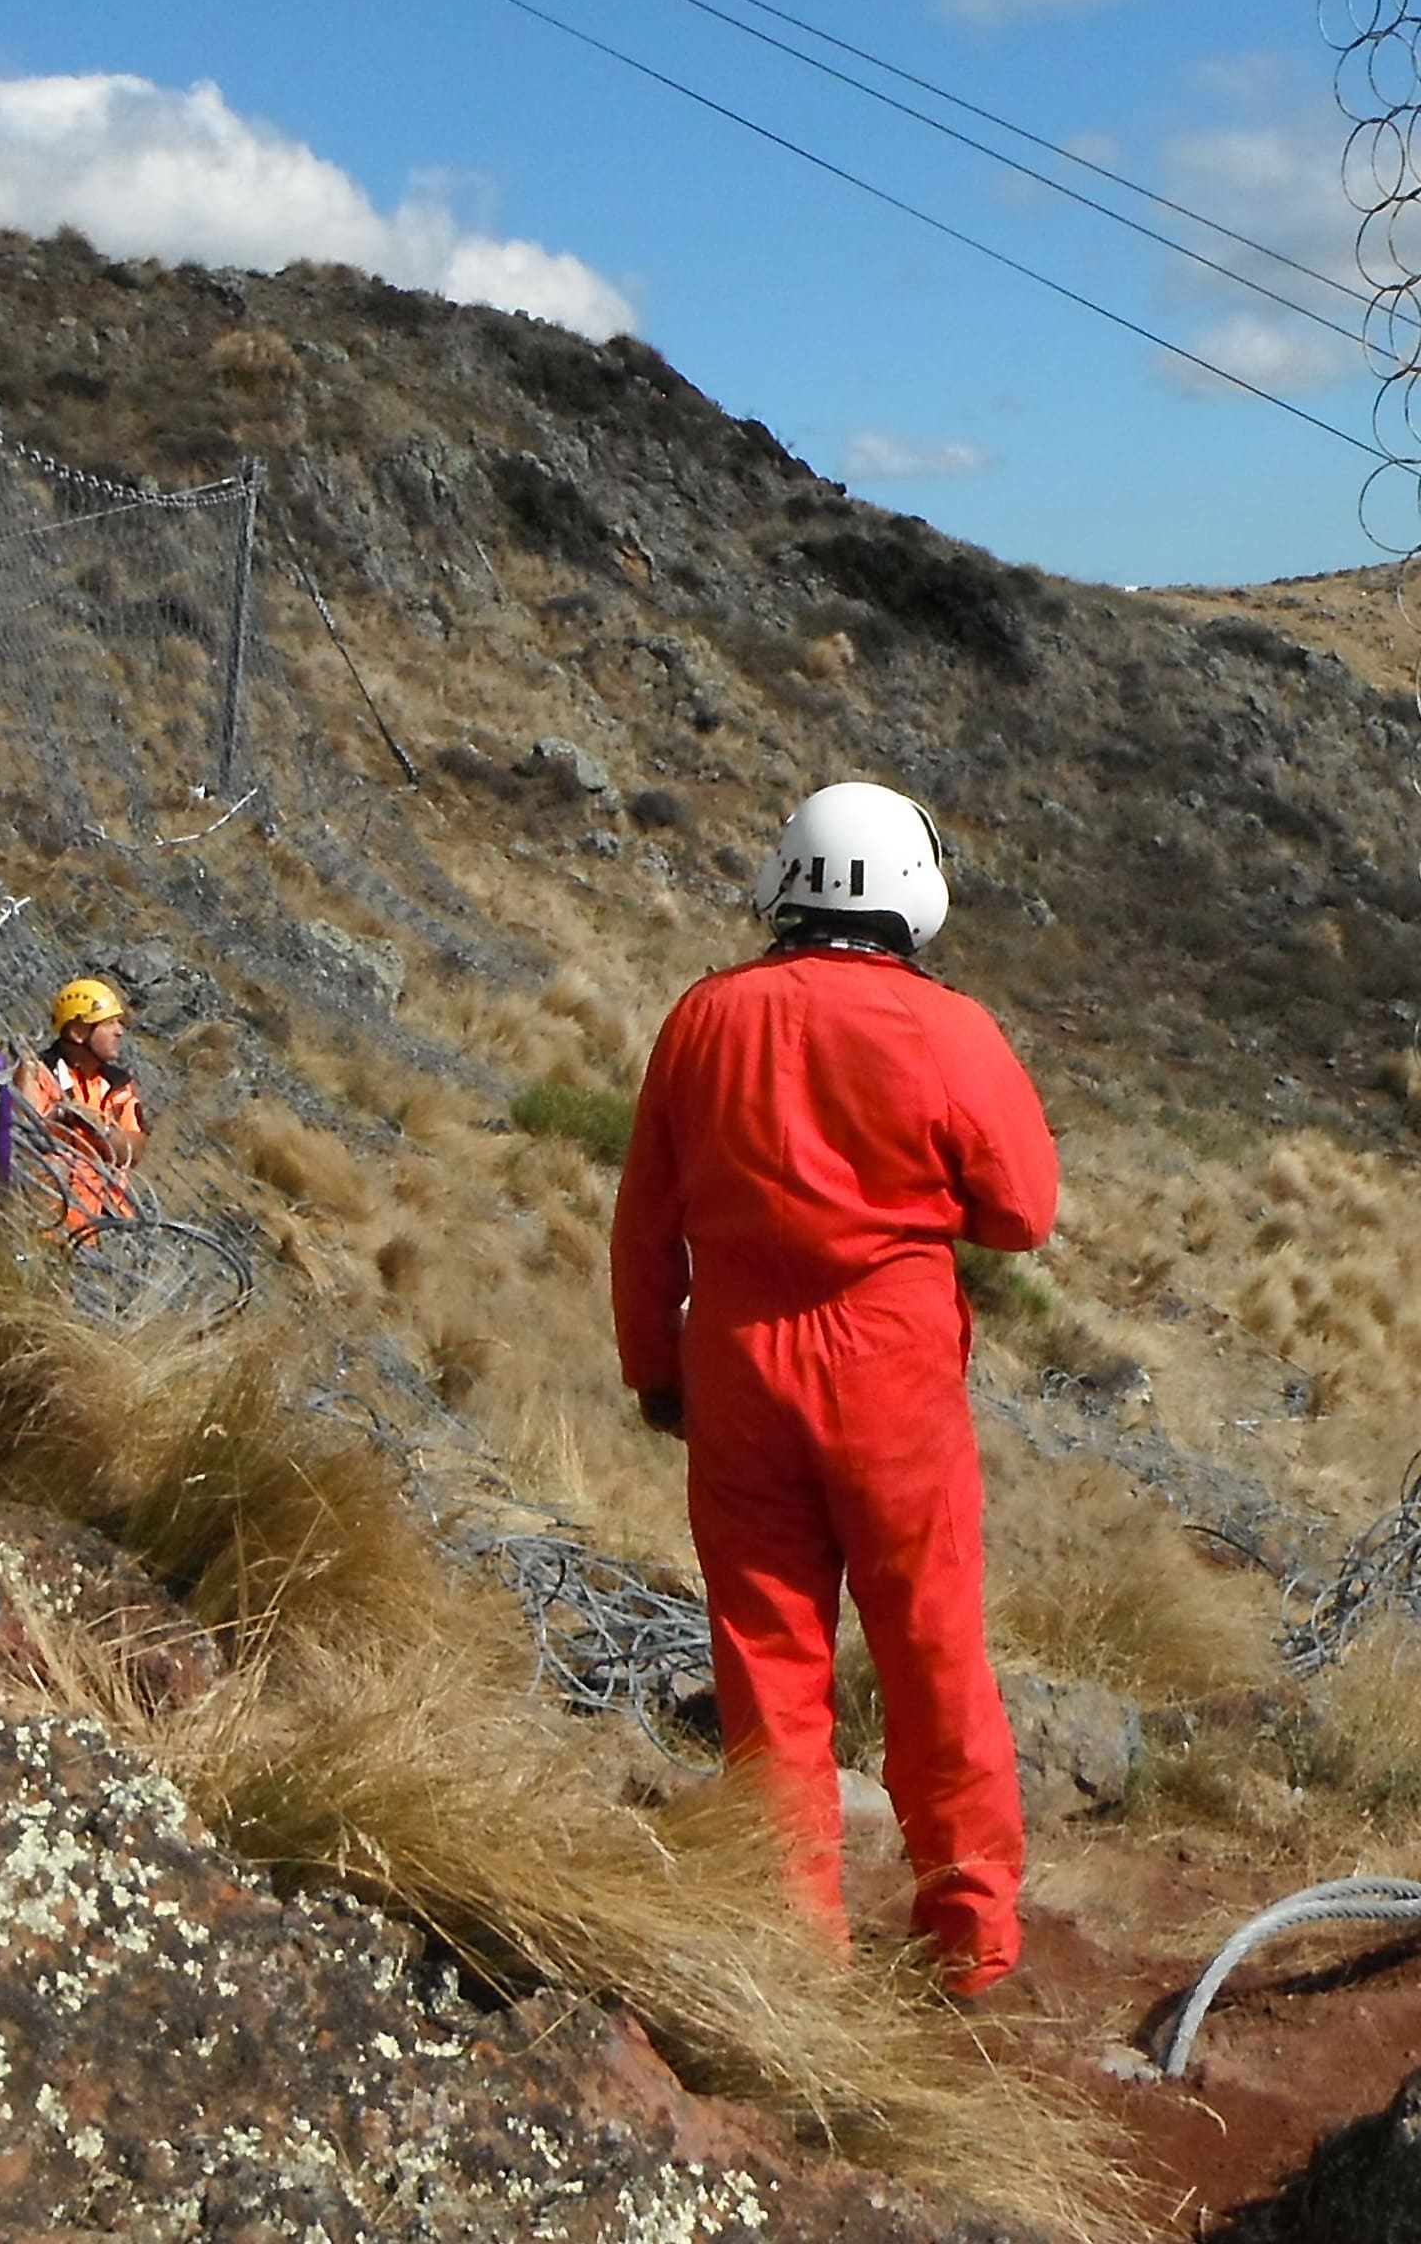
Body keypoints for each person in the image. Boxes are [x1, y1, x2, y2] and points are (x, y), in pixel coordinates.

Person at [609, 780, 1060, 1999]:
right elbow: (1023, 1211)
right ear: (912, 897)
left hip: (739, 1375)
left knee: (768, 1665)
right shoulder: (948, 1028)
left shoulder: (703, 1019)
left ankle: (791, 1953)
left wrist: (656, 1372)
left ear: (786, 886)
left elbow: (645, 1222)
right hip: (893, 1378)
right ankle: (970, 1945)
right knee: (933, 1655)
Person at [14, 974, 147, 1240]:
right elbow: (22, 1134)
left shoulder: (117, 1083)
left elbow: (135, 1150)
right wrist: (60, 1115)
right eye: (108, 1024)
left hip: (106, 1227)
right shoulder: (39, 1073)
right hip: (47, 1227)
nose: (119, 1031)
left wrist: (102, 1129)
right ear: (77, 1033)